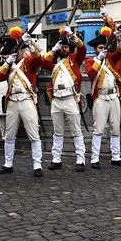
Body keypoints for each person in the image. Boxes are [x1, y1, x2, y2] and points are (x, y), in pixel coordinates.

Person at [0, 29, 45, 176]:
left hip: (26, 98)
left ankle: (37, 165)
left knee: (33, 134)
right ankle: (8, 164)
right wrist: (7, 62)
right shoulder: (8, 65)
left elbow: (39, 61)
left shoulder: (28, 61)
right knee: (9, 135)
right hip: (12, 101)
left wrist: (30, 46)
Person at [40, 28, 87, 171]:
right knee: (57, 131)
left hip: (70, 99)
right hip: (56, 100)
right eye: (62, 46)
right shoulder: (53, 62)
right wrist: (53, 50)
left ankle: (80, 159)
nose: (64, 49)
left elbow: (82, 49)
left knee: (76, 131)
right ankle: (56, 158)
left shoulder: (74, 58)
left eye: (66, 46)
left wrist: (72, 35)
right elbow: (42, 62)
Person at [85, 31, 121, 168]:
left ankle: (116, 156)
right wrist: (99, 59)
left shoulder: (111, 59)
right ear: (95, 49)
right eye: (100, 48)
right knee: (98, 129)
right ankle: (95, 158)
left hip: (114, 96)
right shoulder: (90, 61)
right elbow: (91, 73)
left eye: (104, 47)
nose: (102, 49)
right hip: (100, 97)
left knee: (115, 128)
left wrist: (119, 39)